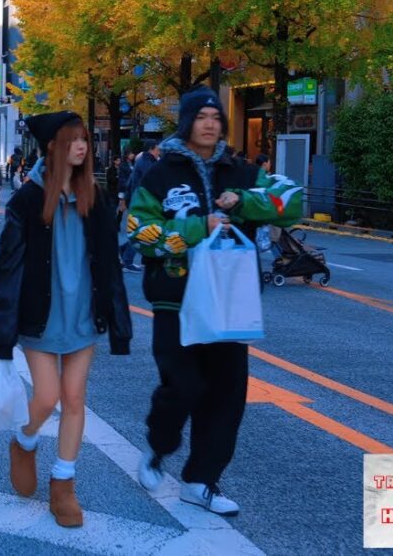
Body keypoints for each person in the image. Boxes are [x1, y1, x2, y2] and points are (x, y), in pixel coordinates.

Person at [126, 86, 302, 517]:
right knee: (183, 386)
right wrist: (195, 229)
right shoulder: (159, 174)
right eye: (201, 116)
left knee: (227, 396)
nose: (210, 124)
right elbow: (138, 231)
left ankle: (201, 480)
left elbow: (292, 203)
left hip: (229, 302)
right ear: (186, 122)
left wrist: (245, 200)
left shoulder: (240, 171)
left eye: (216, 117)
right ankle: (158, 447)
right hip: (176, 301)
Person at [0, 111, 132, 528]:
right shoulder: (28, 200)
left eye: (85, 139)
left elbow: (110, 266)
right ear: (52, 146)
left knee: (74, 399)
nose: (82, 146)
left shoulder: (96, 197)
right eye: (73, 139)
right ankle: (24, 441)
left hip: (82, 317)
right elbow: (7, 269)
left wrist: (118, 320)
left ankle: (63, 484)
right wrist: (2, 335)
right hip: (41, 316)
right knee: (47, 397)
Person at [120, 140, 159, 273]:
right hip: (141, 202)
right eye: (158, 148)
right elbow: (152, 183)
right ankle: (127, 261)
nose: (159, 150)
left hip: (137, 200)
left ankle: (124, 252)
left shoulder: (143, 160)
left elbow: (131, 181)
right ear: (152, 148)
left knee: (138, 231)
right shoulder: (147, 162)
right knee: (139, 232)